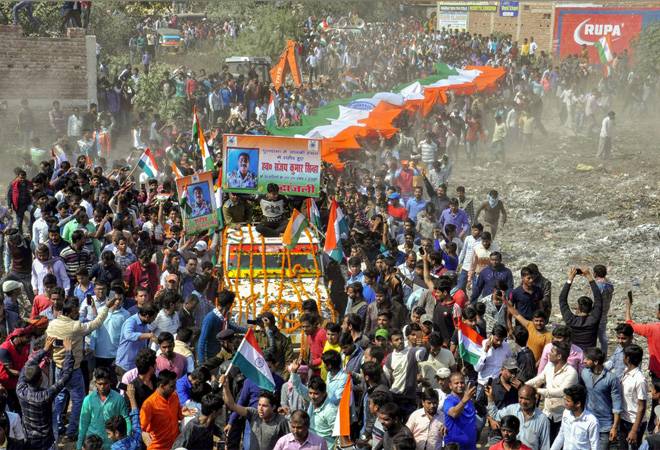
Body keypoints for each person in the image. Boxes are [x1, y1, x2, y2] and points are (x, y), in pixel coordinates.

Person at [47, 295, 121, 443]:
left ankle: (58, 426)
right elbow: (97, 323)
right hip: (73, 369)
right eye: (76, 311)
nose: (78, 314)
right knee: (78, 401)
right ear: (71, 312)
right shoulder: (76, 327)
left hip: (58, 368)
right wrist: (107, 306)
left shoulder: (52, 324)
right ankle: (72, 431)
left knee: (60, 397)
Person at [17, 337, 74, 450]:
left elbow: (27, 365)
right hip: (45, 442)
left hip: (29, 440)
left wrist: (44, 350)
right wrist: (68, 351)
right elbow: (66, 376)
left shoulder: (20, 390)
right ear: (41, 380)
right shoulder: (45, 395)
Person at [526, 341, 578, 441]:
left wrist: (537, 390)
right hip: (547, 413)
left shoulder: (571, 373)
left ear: (559, 356)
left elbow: (561, 392)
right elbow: (539, 379)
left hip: (563, 416)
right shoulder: (549, 366)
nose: (549, 353)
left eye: (552, 351)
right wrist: (525, 385)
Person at [221, 374, 289, 450]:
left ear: (273, 407)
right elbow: (232, 405)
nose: (260, 408)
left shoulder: (281, 421)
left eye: (264, 406)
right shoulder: (254, 414)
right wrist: (225, 387)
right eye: (259, 405)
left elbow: (289, 442)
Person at [77, 366, 131, 450]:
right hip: (93, 445)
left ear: (110, 382)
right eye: (99, 384)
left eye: (105, 384)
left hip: (111, 444)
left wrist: (127, 439)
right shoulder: (88, 400)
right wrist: (79, 445)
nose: (102, 387)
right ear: (95, 383)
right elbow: (83, 423)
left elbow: (126, 419)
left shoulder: (119, 399)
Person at [288, 359, 337, 449]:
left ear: (324, 393)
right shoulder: (312, 400)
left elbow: (338, 434)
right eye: (310, 393)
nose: (312, 396)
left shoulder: (330, 410)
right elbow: (298, 386)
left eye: (316, 394)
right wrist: (294, 372)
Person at [581, 347, 622, 450]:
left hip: (604, 425)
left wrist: (614, 427)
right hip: (588, 421)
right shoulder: (584, 373)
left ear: (595, 362)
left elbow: (617, 405)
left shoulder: (611, 378)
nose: (584, 361)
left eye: (587, 359)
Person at [486, 385, 551, 450]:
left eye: (527, 399)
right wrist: (490, 399)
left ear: (534, 399)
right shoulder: (511, 409)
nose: (523, 402)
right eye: (521, 398)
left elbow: (545, 446)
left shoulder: (543, 420)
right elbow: (495, 415)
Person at [559, 267, 603, 351]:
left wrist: (570, 278)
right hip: (589, 355)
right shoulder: (594, 319)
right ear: (591, 309)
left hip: (573, 354)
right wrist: (589, 276)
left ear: (578, 308)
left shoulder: (571, 320)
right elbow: (599, 299)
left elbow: (562, 299)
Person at [139, 370, 182, 450]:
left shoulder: (174, 396)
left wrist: (184, 412)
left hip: (175, 444)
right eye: (172, 386)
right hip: (158, 447)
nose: (175, 388)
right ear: (162, 386)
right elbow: (140, 428)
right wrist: (143, 434)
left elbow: (180, 415)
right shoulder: (149, 404)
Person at [550, 385, 599, 450]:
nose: (565, 403)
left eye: (568, 401)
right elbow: (561, 435)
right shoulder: (566, 413)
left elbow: (594, 446)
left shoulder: (592, 422)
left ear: (578, 404)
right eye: (565, 400)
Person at [619, 344, 648, 450]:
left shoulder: (639, 380)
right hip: (624, 419)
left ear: (627, 358)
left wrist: (634, 430)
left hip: (634, 423)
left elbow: (642, 407)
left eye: (624, 356)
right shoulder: (625, 372)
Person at [444, 371, 478, 450]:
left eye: (462, 382)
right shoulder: (449, 401)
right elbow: (454, 413)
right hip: (455, 447)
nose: (460, 385)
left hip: (471, 446)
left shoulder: (469, 400)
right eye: (456, 383)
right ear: (450, 385)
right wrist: (464, 400)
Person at [105, 382, 142, 450]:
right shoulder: (135, 439)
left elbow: (135, 417)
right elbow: (136, 419)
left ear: (116, 433)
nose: (108, 437)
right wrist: (132, 398)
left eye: (109, 433)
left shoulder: (115, 448)